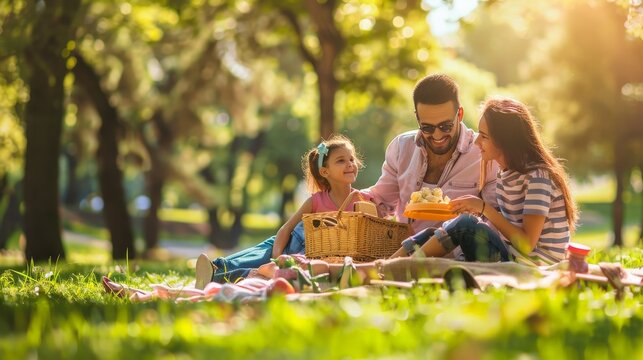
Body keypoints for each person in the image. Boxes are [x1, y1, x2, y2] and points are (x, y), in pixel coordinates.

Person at [394, 97, 578, 265]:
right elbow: (504, 230)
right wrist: (474, 213)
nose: (476, 142)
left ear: (506, 141)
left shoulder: (538, 177)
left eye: (484, 136)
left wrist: (483, 209)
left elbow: (526, 244)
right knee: (436, 231)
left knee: (465, 225)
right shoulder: (506, 174)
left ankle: (406, 268)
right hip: (512, 257)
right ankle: (384, 266)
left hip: (533, 268)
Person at [195, 134, 376, 288]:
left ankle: (215, 276)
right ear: (325, 171)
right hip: (289, 241)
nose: (350, 164)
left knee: (263, 269)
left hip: (305, 254)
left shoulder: (362, 200)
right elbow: (287, 228)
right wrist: (277, 256)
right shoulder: (316, 200)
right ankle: (217, 267)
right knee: (260, 254)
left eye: (352, 159)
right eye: (341, 161)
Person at [364, 73, 499, 253]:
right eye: (427, 127)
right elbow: (380, 201)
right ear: (417, 118)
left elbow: (496, 219)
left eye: (445, 126)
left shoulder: (483, 153)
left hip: (461, 258)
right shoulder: (401, 147)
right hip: (405, 252)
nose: (437, 136)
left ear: (459, 114)